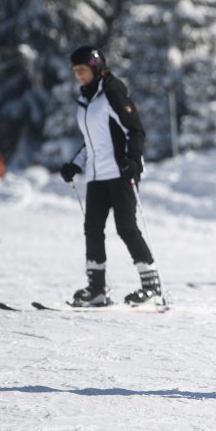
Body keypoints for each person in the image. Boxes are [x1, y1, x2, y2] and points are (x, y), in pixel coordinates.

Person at [58, 46, 161, 307]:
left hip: (120, 172)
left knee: (126, 227)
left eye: (83, 70)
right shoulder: (86, 100)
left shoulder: (112, 93)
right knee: (92, 229)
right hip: (97, 175)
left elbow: (135, 130)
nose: (79, 75)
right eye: (76, 71)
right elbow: (92, 142)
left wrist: (133, 160)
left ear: (96, 67)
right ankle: (97, 289)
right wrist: (76, 164)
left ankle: (152, 287)